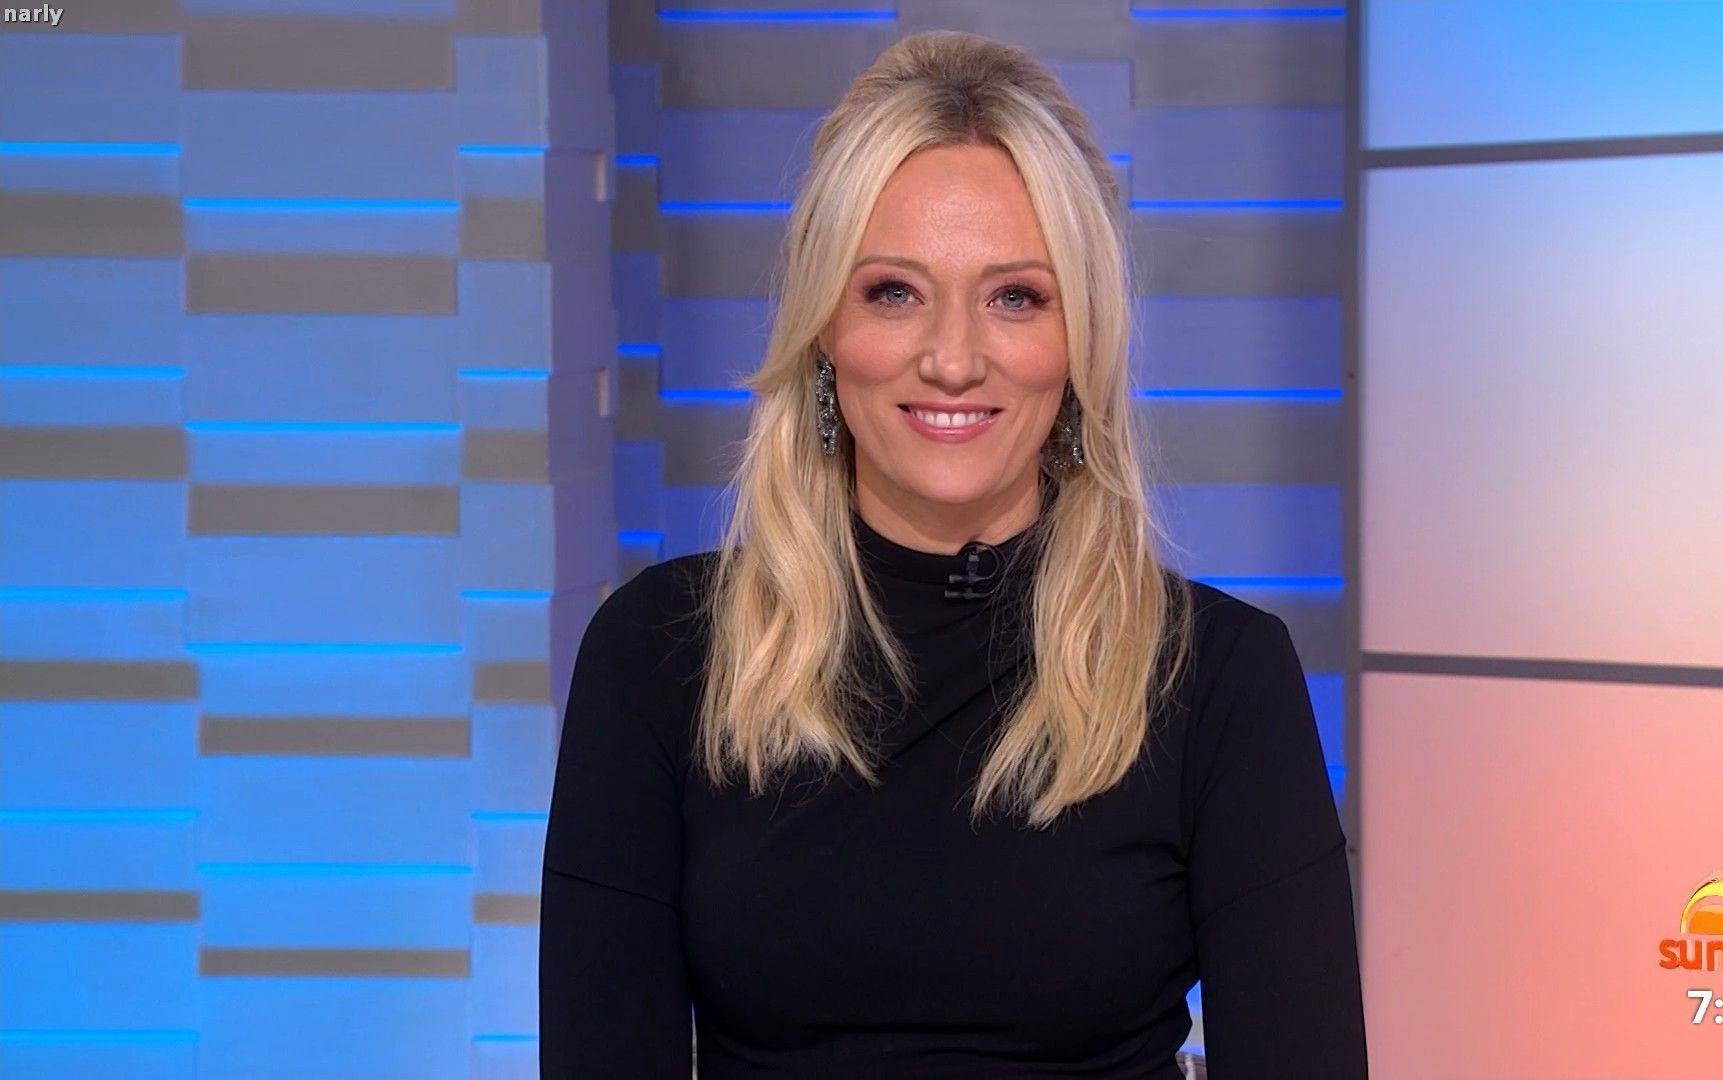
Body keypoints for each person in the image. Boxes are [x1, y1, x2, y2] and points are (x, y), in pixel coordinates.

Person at [538, 28, 1367, 1079]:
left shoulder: (1218, 677)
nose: (953, 358)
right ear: (824, 332)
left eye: (1015, 296)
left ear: (1079, 342)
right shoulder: (661, 654)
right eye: (894, 291)